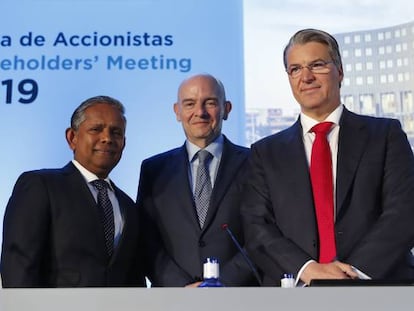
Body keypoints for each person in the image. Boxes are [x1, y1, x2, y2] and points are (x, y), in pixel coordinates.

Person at [241, 28, 414, 286]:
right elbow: (257, 227)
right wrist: (308, 269)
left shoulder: (385, 136)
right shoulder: (265, 153)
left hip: (377, 286)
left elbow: (404, 211)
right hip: (297, 290)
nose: (306, 77)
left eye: (317, 65)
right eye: (295, 69)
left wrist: (352, 274)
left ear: (340, 71)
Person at [1, 95, 145, 287]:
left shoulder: (128, 206)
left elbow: (134, 279)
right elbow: (18, 266)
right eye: (96, 129)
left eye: (116, 132)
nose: (107, 138)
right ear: (72, 137)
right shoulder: (40, 186)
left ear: (124, 144)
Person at [137, 73, 258, 287]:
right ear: (177, 111)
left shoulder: (255, 164)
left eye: (210, 103)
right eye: (190, 104)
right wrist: (183, 288)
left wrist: (219, 284)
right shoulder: (153, 170)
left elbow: (262, 235)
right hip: (175, 300)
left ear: (227, 109)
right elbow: (147, 241)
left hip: (239, 296)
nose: (199, 112)